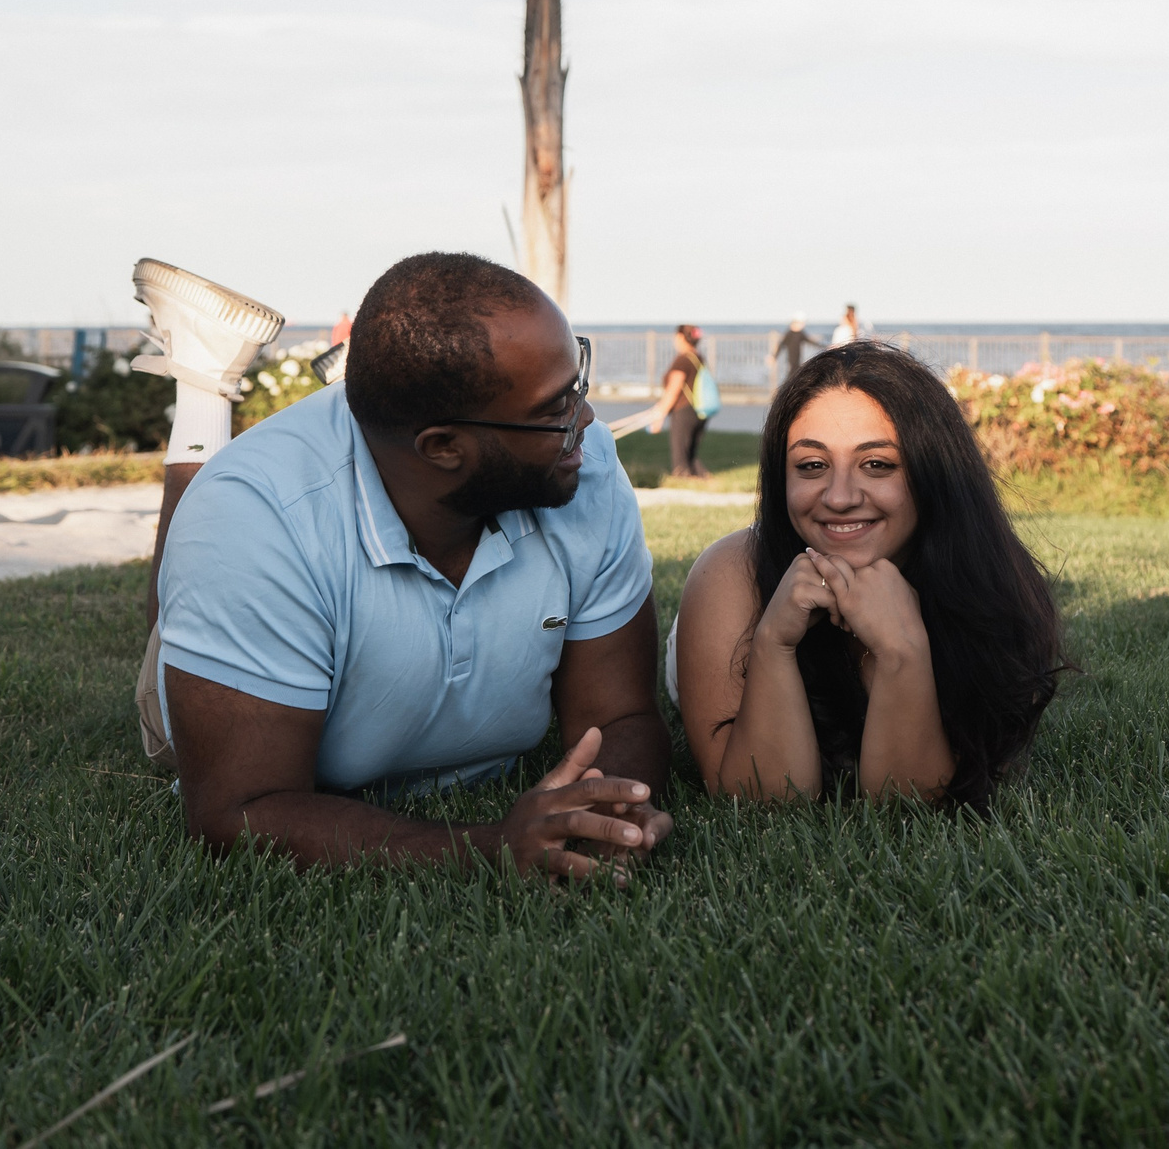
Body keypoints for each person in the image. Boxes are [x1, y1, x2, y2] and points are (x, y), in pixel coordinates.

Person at [130, 251, 673, 877]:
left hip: (391, 469)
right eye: (555, 411)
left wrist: (611, 811)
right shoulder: (254, 518)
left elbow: (621, 715)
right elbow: (237, 811)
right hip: (243, 552)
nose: (587, 419)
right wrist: (488, 850)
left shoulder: (587, 466)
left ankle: (373, 392)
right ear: (443, 446)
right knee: (185, 601)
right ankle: (203, 385)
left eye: (573, 386)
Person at [668, 340, 1065, 807]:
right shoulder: (731, 573)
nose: (839, 497)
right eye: (812, 466)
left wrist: (900, 651)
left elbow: (910, 804)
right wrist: (774, 643)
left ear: (931, 472)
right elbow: (765, 801)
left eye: (877, 465)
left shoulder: (989, 582)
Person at [644, 323, 715, 481]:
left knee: (681, 459)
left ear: (681, 337)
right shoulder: (698, 357)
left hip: (684, 411)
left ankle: (683, 483)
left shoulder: (683, 360)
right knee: (690, 453)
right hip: (698, 410)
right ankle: (704, 481)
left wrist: (659, 416)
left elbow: (673, 391)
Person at [770, 311, 824, 382]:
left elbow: (811, 342)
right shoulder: (789, 334)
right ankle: (785, 391)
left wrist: (824, 346)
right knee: (792, 376)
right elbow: (781, 345)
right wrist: (774, 356)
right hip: (791, 360)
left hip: (797, 360)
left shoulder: (800, 333)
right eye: (801, 323)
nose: (803, 325)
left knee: (795, 375)